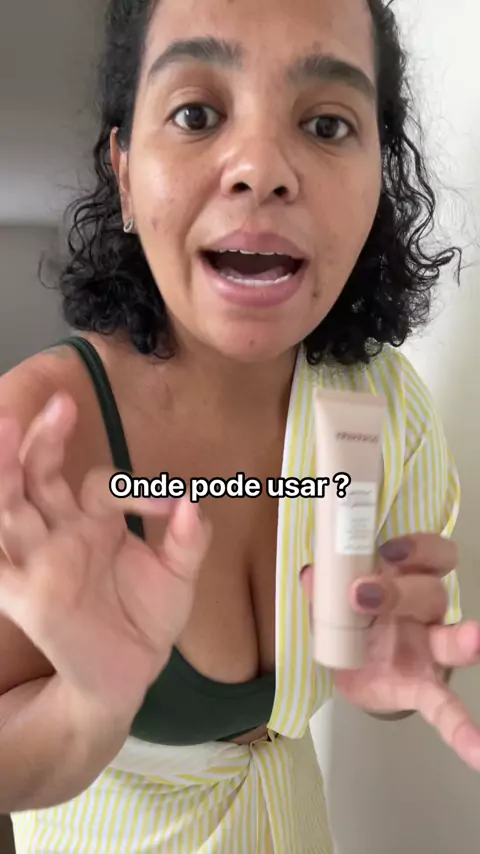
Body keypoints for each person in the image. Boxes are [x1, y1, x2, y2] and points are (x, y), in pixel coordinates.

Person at [0, 0, 479, 851]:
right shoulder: (34, 434)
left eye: (327, 124)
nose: (261, 168)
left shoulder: (385, 410)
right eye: (196, 114)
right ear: (124, 173)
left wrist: (399, 664)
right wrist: (88, 708)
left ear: (378, 175)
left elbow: (399, 662)